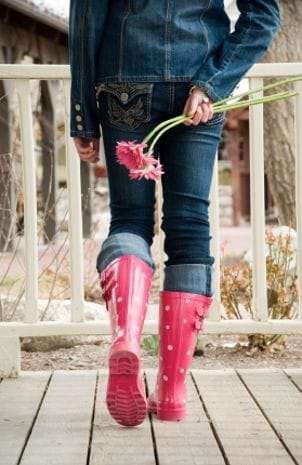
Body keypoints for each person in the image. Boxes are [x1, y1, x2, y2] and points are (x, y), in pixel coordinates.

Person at [69, 0, 280, 426]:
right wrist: (214, 83)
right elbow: (264, 15)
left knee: (130, 221)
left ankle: (127, 335)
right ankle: (172, 392)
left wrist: (82, 116)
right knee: (188, 227)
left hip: (124, 77)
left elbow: (87, 15)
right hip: (198, 79)